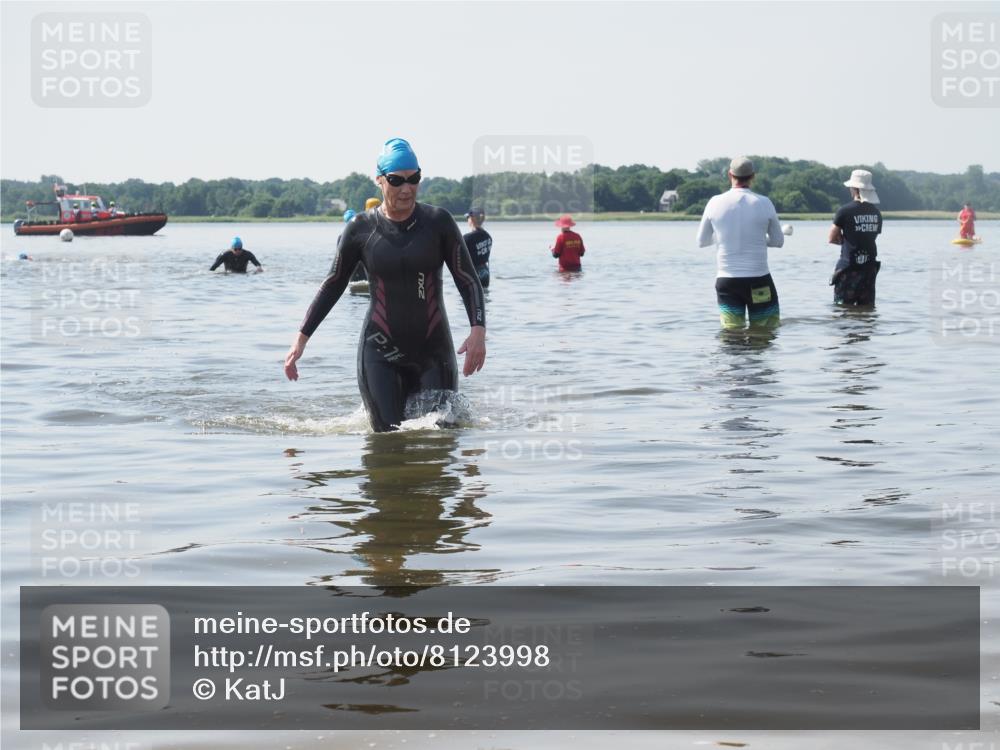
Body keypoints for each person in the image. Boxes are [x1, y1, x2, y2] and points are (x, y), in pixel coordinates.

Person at [284, 138, 486, 433]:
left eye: (414, 179)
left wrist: (478, 330)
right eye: (396, 181)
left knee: (441, 436)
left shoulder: (438, 223)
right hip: (380, 354)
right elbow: (333, 284)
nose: (407, 188)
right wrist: (301, 339)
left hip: (433, 352)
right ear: (380, 180)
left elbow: (468, 280)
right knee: (388, 439)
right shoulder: (360, 230)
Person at [697, 156, 784, 329]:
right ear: (753, 176)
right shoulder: (764, 203)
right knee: (764, 334)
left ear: (730, 174)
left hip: (727, 283)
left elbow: (702, 241)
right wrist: (759, 239)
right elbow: (778, 241)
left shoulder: (714, 202)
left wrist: (723, 237)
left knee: (731, 335)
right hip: (758, 281)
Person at [828, 170, 883, 306]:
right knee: (867, 313)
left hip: (848, 270)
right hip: (869, 271)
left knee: (843, 312)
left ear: (855, 189)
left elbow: (831, 238)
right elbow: (870, 237)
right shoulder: (876, 213)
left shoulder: (844, 211)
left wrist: (845, 242)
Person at [463, 208, 492, 288]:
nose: (467, 220)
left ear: (471, 219)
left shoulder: (466, 238)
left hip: (472, 275)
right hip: (485, 274)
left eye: (467, 218)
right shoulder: (488, 237)